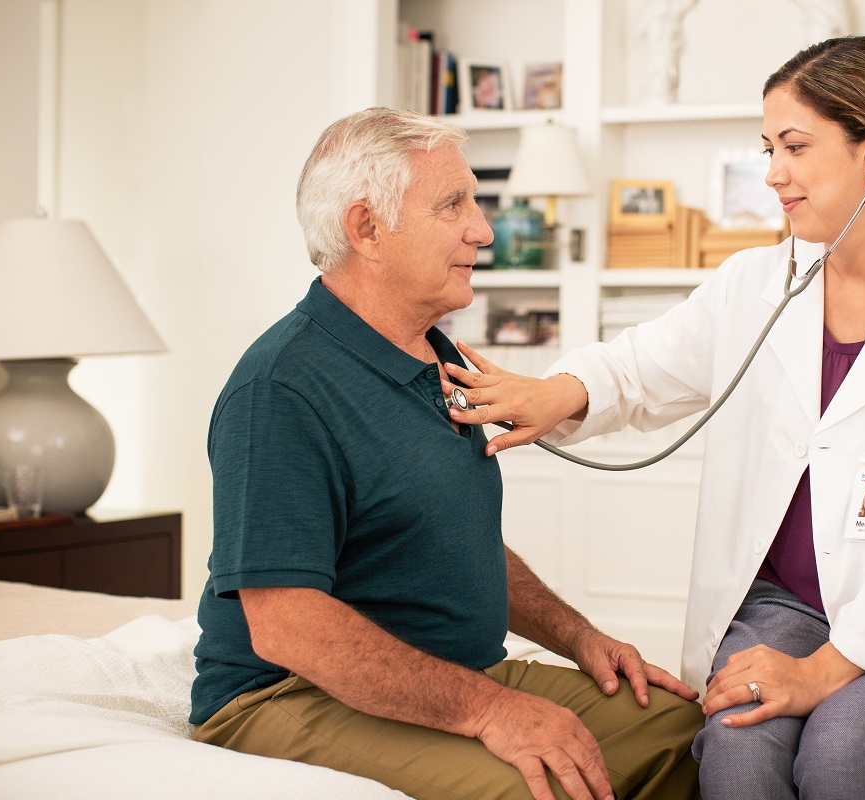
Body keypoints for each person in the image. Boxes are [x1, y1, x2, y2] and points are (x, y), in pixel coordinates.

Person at [440, 36, 865, 800]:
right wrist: (554, 392)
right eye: (768, 148)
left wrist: (827, 670)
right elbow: (642, 365)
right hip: (786, 601)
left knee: (845, 753)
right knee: (736, 750)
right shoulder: (760, 282)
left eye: (794, 147)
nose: (772, 174)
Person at [189, 107, 703, 800]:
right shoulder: (281, 388)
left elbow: (453, 539)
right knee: (543, 787)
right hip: (288, 696)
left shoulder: (441, 357)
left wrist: (579, 637)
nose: (483, 230)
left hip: (449, 673)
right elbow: (288, 626)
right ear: (366, 228)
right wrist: (490, 711)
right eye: (453, 204)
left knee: (685, 732)